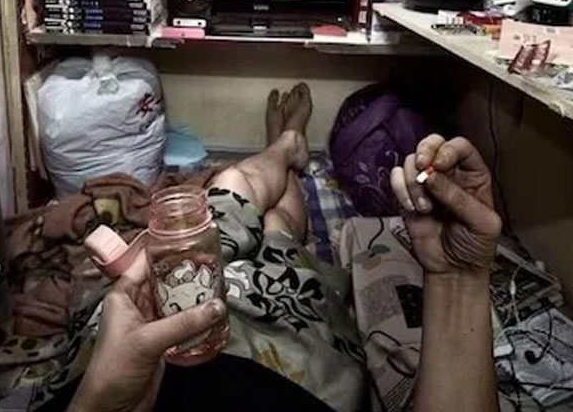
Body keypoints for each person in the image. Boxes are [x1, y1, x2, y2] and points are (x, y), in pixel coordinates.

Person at [65, 94, 501, 412]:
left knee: (236, 186)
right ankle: (288, 148)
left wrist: (98, 404)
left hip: (159, 316)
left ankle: (283, 146)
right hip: (291, 351)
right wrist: (457, 275)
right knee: (281, 230)